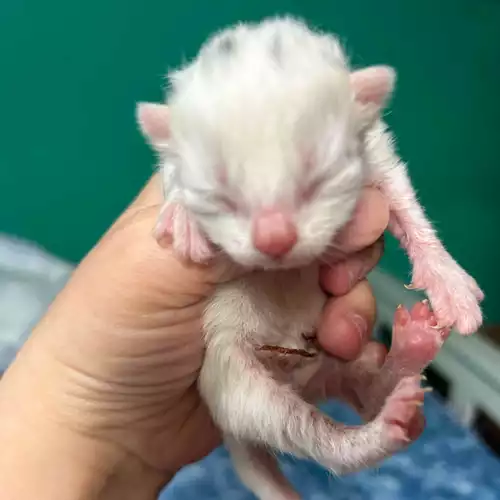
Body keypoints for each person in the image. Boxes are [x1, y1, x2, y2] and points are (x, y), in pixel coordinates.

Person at [0, 173, 393, 499]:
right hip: (237, 339)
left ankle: (369, 392)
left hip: (285, 330)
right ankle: (348, 439)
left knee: (339, 350)